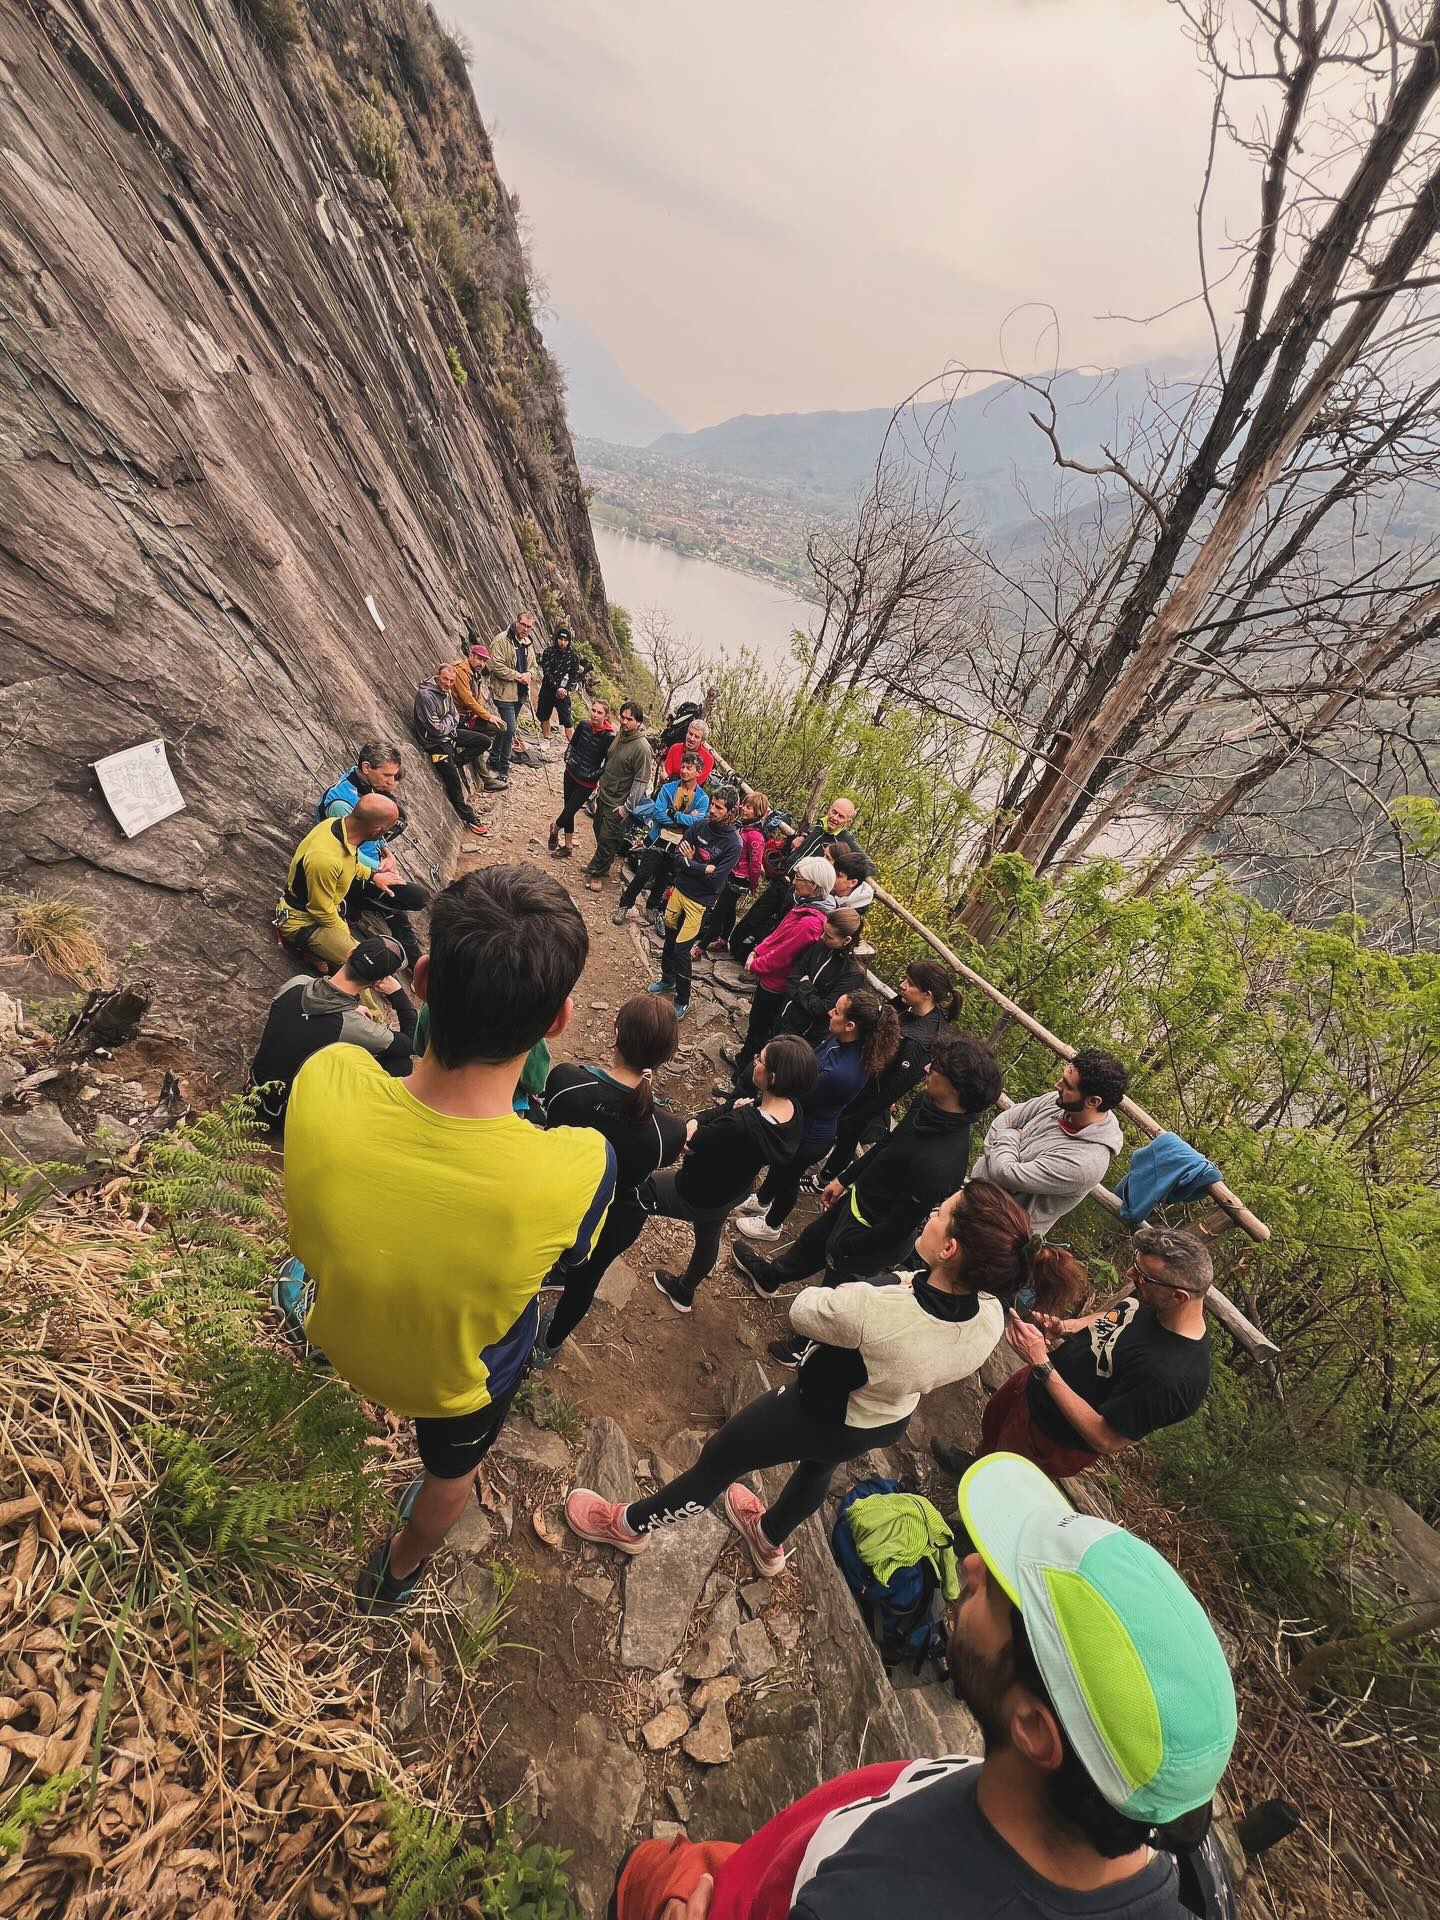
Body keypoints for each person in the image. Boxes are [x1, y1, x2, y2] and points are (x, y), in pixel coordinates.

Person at [603, 1451, 1237, 1920]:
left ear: (1037, 1730)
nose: (968, 1564)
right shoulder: (1040, 1796)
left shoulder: (869, 1902)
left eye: (1005, 1589)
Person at [283, 865, 616, 1612]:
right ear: (557, 1021)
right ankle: (395, 1574)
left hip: (339, 1329)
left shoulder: (330, 1076)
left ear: (424, 978)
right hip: (451, 1387)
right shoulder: (580, 1164)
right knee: (451, 1473)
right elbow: (569, 1265)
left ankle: (300, 1312)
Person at [566, 1183, 1087, 1576]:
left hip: (818, 1408)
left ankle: (629, 1525)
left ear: (950, 1250)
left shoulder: (875, 1308)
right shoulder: (990, 1317)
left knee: (719, 1460)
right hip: (883, 1417)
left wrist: (883, 1285)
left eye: (941, 1214)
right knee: (818, 1469)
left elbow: (805, 1310)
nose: (930, 1215)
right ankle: (769, 1539)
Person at [734, 1034, 1003, 1345]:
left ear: (955, 1088)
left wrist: (851, 1245)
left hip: (873, 1234)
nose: (927, 1067)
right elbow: (888, 1145)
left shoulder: (941, 1162)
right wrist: (846, 1179)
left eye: (937, 1067)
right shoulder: (928, 1105)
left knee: (840, 1291)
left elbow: (899, 1226)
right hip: (858, 1202)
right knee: (811, 1241)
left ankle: (806, 1345)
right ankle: (770, 1277)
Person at [933, 1226, 1215, 1482]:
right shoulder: (1155, 1303)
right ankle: (971, 1469)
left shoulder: (1173, 1377)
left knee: (1003, 1481)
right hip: (1035, 1387)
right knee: (993, 1435)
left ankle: (968, 1522)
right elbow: (1116, 1317)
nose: (1130, 1275)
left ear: (1179, 1296)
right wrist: (1067, 1327)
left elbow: (1105, 1439)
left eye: (1142, 1276)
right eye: (1134, 1266)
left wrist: (1043, 1364)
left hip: (1051, 1435)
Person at [533, 994, 687, 1363]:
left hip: (558, 1194)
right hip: (614, 1215)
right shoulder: (668, 1130)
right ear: (664, 1056)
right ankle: (547, 1346)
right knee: (586, 1279)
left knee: (535, 1250)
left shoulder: (568, 1081)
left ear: (615, 1033)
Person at [643, 1035, 815, 1313]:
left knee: (635, 1191)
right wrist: (733, 1112)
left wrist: (692, 1123)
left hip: (696, 1190)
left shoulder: (742, 1124)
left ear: (773, 1077)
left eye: (761, 1060)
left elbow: (691, 1144)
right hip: (734, 1189)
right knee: (709, 1233)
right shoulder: (793, 1111)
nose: (755, 1062)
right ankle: (684, 1292)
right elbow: (729, 1122)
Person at [736, 989, 899, 1240]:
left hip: (809, 1135)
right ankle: (762, 1199)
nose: (829, 1012)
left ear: (850, 1025)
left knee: (788, 1178)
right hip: (804, 1122)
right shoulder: (841, 1041)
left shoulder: (841, 1072)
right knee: (780, 1169)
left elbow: (798, 1092)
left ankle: (772, 1225)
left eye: (836, 1011)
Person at [249, 935, 413, 1129]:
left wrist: (350, 1010)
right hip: (283, 1116)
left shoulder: (297, 983)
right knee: (401, 1064)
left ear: (350, 953)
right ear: (379, 981)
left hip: (253, 1091)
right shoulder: (350, 1025)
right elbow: (411, 1043)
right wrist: (397, 994)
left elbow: (307, 1020)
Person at [819, 958, 957, 1181]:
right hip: (867, 1074)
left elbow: (892, 1090)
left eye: (910, 983)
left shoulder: (920, 1042)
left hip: (873, 1091)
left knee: (849, 1129)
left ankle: (826, 1176)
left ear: (927, 994)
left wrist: (857, 1114)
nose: (902, 985)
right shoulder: (906, 1006)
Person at [970, 1050, 1130, 1236]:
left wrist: (1011, 1136)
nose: (1057, 1085)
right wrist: (1010, 1139)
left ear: (1093, 1101)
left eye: (1068, 1085)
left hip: (995, 1233)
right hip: (971, 1199)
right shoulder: (1058, 1102)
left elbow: (1004, 1174)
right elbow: (1004, 1120)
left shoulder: (1084, 1163)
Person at [723, 858, 837, 1089]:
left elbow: (785, 954)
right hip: (771, 977)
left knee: (759, 1028)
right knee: (756, 1025)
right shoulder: (805, 905)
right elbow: (778, 935)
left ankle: (743, 1077)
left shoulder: (811, 923)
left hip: (777, 983)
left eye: (799, 878)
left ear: (813, 886)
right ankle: (744, 1060)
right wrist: (757, 950)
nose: (794, 882)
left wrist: (757, 964)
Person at [318, 743, 433, 969]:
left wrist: (387, 852)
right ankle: (359, 901)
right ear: (367, 767)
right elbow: (343, 851)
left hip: (372, 860)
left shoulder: (366, 785)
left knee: (397, 905)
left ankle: (415, 962)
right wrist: (379, 870)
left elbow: (374, 829)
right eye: (387, 775)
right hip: (354, 870)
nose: (391, 781)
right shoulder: (341, 803)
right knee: (417, 898)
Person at [643, 787, 742, 1019]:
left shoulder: (733, 844)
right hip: (680, 890)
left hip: (699, 901)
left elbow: (716, 878)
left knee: (681, 949)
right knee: (668, 938)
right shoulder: (699, 826)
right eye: (713, 805)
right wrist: (699, 866)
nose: (713, 810)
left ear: (731, 811)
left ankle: (683, 999)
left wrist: (691, 863)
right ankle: (668, 980)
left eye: (719, 807)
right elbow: (679, 856)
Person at [730, 796, 861, 961]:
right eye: (834, 812)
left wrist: (844, 876)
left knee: (776, 927)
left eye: (841, 816)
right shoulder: (820, 825)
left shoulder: (844, 841)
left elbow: (865, 866)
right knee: (755, 916)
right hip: (783, 880)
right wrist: (800, 837)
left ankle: (754, 960)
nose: (835, 817)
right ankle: (734, 947)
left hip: (801, 891)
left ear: (848, 821)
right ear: (829, 809)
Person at [614, 749, 711, 926]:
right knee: (643, 874)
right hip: (657, 839)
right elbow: (658, 814)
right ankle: (625, 905)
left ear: (698, 772)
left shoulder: (702, 799)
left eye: (689, 768)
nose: (683, 770)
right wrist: (682, 820)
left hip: (679, 845)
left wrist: (673, 815)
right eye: (682, 766)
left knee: (664, 879)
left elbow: (696, 823)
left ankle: (652, 907)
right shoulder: (668, 788)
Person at [771, 906, 866, 1047]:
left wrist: (804, 985)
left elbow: (823, 1010)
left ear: (846, 940)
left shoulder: (853, 973)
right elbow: (794, 975)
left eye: (828, 936)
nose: (822, 937)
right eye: (824, 931)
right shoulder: (822, 945)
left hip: (804, 1035)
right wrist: (806, 995)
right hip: (785, 1015)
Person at [584, 702, 654, 888]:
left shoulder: (642, 748)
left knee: (608, 839)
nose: (623, 721)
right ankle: (601, 865)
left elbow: (641, 783)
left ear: (638, 722)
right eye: (622, 717)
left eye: (629, 719)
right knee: (599, 833)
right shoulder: (621, 735)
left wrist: (627, 808)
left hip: (619, 803)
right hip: (604, 794)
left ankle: (597, 874)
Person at [412, 666, 487, 834]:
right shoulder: (426, 695)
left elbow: (454, 716)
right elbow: (435, 728)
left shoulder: (446, 692)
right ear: (438, 676)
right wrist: (449, 721)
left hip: (448, 736)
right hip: (433, 743)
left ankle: (456, 761)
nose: (448, 684)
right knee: (453, 780)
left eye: (452, 681)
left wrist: (448, 721)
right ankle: (468, 816)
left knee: (483, 741)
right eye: (445, 679)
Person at [700, 789, 768, 954]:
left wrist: (753, 885)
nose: (744, 809)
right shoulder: (744, 828)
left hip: (740, 879)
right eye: (744, 805)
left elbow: (755, 864)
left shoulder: (755, 837)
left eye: (750, 807)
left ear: (758, 812)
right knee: (729, 910)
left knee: (718, 912)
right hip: (731, 873)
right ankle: (723, 940)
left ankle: (701, 947)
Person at [549, 698, 613, 859]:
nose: (595, 715)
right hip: (570, 772)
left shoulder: (608, 736)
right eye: (593, 710)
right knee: (567, 808)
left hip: (587, 781)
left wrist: (594, 775)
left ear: (606, 716)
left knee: (570, 809)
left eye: (599, 712)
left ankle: (555, 829)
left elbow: (608, 763)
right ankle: (568, 846)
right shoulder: (583, 725)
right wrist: (568, 758)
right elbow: (573, 744)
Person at [448, 643, 508, 792]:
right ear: (471, 656)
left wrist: (484, 714)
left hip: (469, 716)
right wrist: (487, 716)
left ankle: (476, 750)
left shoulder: (475, 673)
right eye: (479, 659)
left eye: (484, 660)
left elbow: (477, 698)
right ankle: (485, 778)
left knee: (502, 727)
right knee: (482, 738)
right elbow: (467, 699)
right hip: (458, 718)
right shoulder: (462, 671)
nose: (482, 663)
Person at [485, 611, 536, 784]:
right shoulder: (501, 639)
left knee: (504, 728)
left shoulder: (528, 643)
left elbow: (534, 667)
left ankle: (493, 758)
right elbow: (495, 665)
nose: (526, 629)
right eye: (523, 625)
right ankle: (503, 767)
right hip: (504, 692)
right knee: (510, 729)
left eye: (529, 626)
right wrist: (516, 675)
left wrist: (529, 674)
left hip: (520, 694)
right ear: (517, 622)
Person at [536, 626, 587, 741]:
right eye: (560, 639)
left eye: (565, 640)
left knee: (567, 720)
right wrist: (556, 688)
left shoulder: (573, 656)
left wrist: (566, 689)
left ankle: (573, 745)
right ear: (556, 639)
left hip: (563, 692)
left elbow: (573, 676)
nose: (562, 642)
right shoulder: (548, 652)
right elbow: (547, 671)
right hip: (548, 689)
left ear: (569, 641)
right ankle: (546, 738)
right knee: (544, 715)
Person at [660, 717, 715, 787]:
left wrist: (669, 779)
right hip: (667, 790)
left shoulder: (708, 759)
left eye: (696, 737)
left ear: (702, 741)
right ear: (686, 733)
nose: (691, 738)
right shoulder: (675, 748)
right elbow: (665, 773)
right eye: (690, 734)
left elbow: (695, 784)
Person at [829, 844, 875, 913]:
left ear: (852, 882)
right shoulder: (830, 890)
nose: (832, 876)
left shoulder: (852, 914)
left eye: (838, 875)